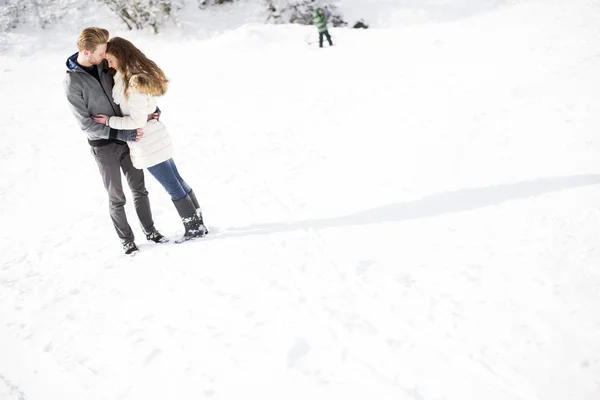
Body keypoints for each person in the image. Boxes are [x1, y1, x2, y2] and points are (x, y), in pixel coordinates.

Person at [91, 37, 208, 243]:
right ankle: (198, 224)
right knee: (177, 181)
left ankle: (195, 228)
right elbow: (146, 110)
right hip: (154, 138)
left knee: (173, 185)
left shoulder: (133, 81)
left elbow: (136, 120)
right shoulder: (131, 75)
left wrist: (109, 121)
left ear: (120, 55)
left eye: (110, 59)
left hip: (148, 142)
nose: (108, 64)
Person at [64, 27, 167, 255]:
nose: (105, 57)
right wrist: (120, 134)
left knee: (140, 189)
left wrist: (151, 110)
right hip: (104, 146)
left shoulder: (104, 65)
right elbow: (86, 125)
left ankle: (151, 231)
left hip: (127, 135)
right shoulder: (72, 83)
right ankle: (127, 240)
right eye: (100, 53)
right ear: (86, 51)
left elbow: (132, 88)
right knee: (116, 196)